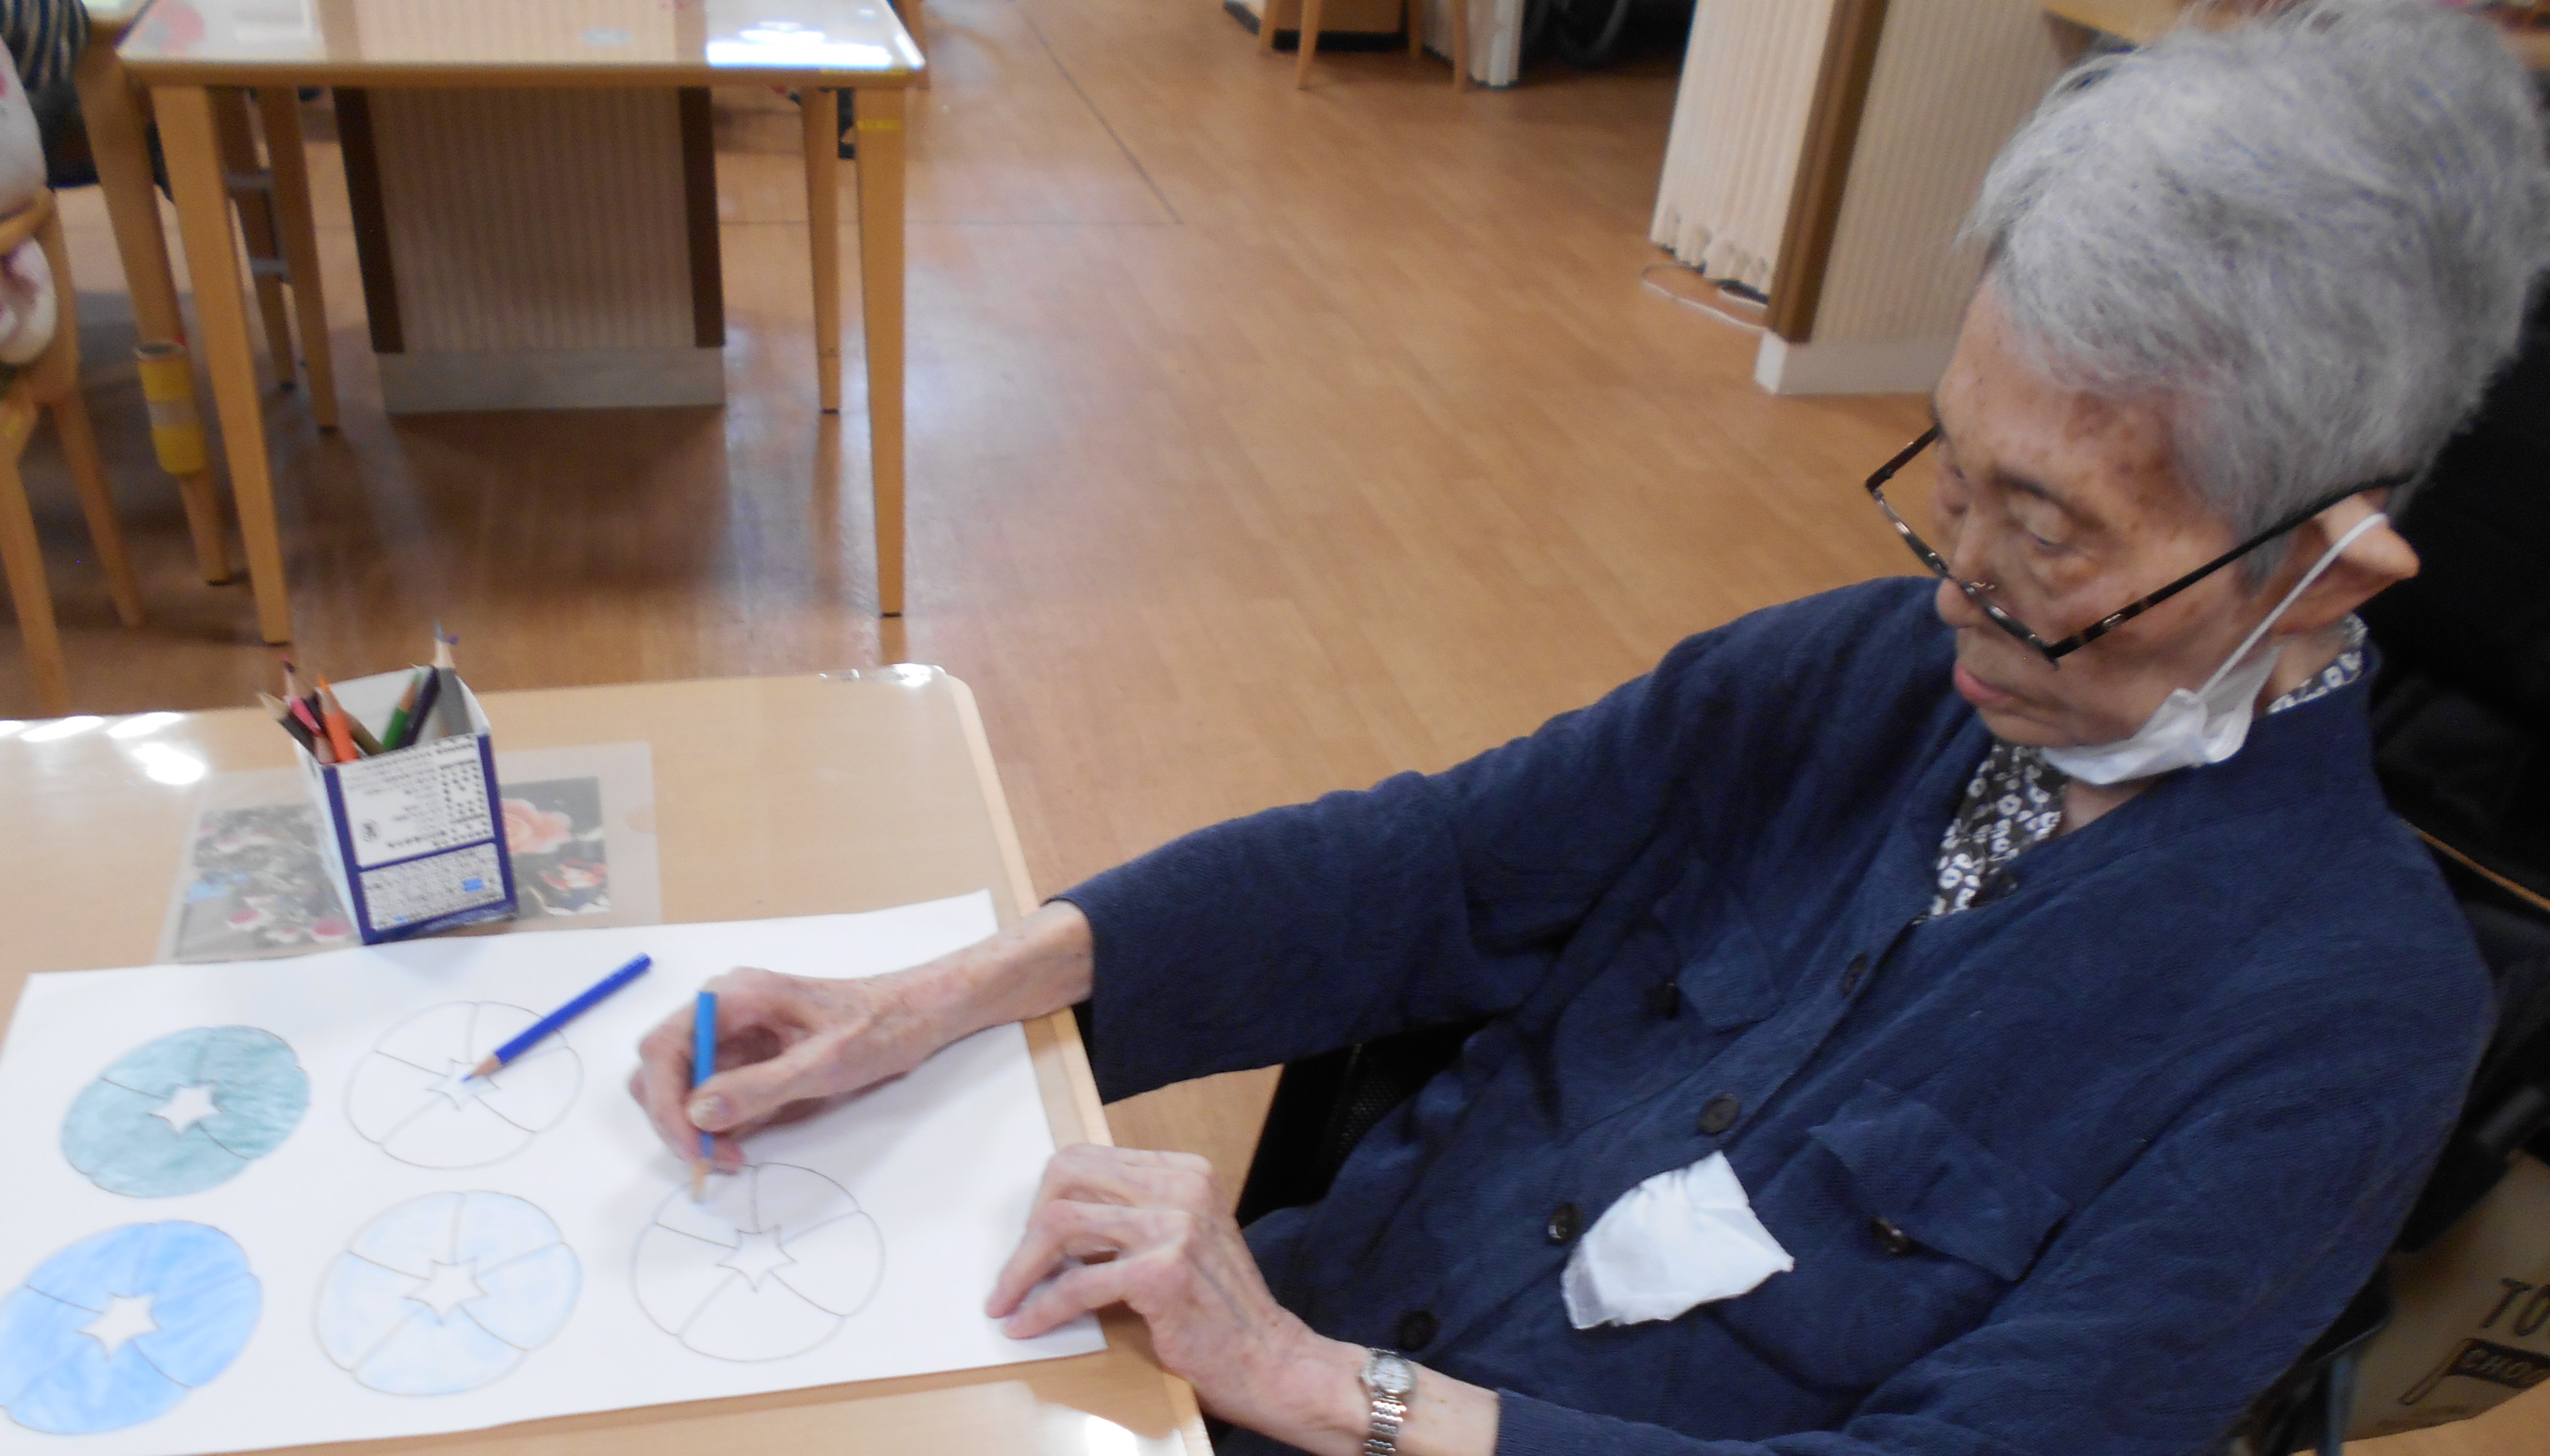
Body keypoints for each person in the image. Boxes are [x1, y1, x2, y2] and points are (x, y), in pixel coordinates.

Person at [631, 4, 2550, 1452]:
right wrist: (931, 1002)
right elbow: (1424, 865)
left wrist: (1325, 1384)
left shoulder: (2345, 1020)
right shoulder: (1853, 674)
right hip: (1253, 1362)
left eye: (2047, 538)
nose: (1956, 586)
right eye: (1953, 479)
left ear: (2331, 568)